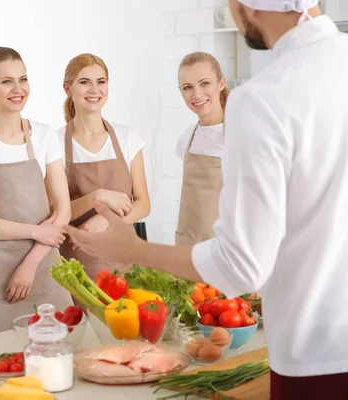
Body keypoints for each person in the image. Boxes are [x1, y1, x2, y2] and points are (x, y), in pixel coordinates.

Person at [67, 0, 348, 397]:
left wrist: (132, 247)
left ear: (245, 6)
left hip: (315, 355)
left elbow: (241, 266)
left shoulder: (262, 99)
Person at [0, 47, 73, 339]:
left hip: (45, 266)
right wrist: (36, 231)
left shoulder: (44, 135)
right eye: (7, 81)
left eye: (23, 79)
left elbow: (63, 211)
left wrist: (30, 264)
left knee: (59, 359)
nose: (18, 89)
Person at [57, 53, 151, 279]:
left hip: (124, 257)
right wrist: (97, 197)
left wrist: (106, 220)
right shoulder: (55, 143)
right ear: (68, 89)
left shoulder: (128, 138)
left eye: (101, 82)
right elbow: (55, 211)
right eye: (84, 82)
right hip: (76, 263)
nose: (94, 89)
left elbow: (143, 204)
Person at [175, 52, 228, 246]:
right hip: (189, 243)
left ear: (221, 83)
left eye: (205, 83)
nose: (196, 94)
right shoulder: (187, 139)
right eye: (187, 87)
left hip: (226, 245)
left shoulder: (241, 135)